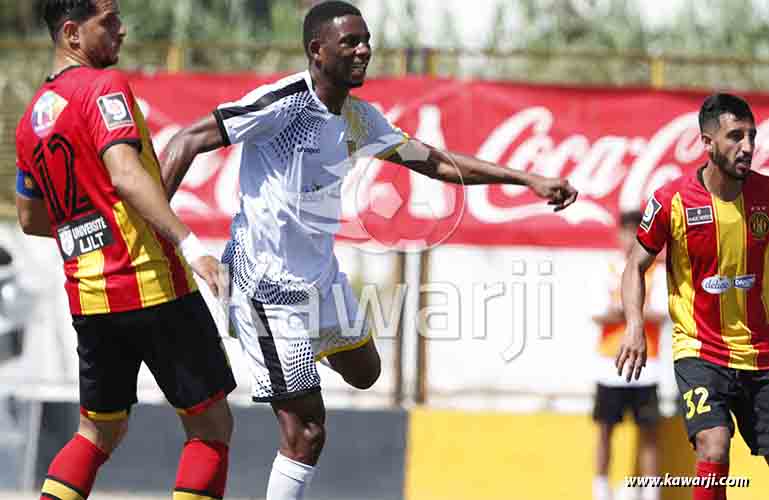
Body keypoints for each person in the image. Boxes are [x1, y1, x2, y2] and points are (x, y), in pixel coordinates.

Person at [161, 2, 578, 499]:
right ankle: (286, 358)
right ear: (317, 51)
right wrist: (154, 224)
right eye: (351, 43)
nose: (364, 51)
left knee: (366, 372)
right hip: (267, 290)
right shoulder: (282, 104)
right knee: (307, 433)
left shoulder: (358, 117)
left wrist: (527, 178)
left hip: (321, 281)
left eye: (367, 41)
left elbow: (436, 164)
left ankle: (298, 360)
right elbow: (186, 141)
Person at [15, 2, 236, 500]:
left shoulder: (30, 120)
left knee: (98, 431)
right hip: (152, 284)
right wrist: (192, 246)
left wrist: (92, 229)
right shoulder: (102, 87)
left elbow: (30, 219)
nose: (122, 29)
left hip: (89, 298)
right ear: (72, 33)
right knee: (210, 427)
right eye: (108, 21)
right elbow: (125, 172)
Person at [617, 93, 769, 500]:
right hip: (701, 351)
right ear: (707, 143)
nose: (748, 146)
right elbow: (635, 265)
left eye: (751, 136)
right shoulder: (672, 201)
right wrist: (634, 326)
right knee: (713, 445)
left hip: (762, 352)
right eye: (735, 136)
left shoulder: (767, 196)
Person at [591, 211, 665, 500]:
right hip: (609, 364)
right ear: (619, 235)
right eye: (626, 233)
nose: (630, 240)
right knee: (605, 430)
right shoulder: (608, 268)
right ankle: (600, 490)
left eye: (637, 234)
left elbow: (661, 314)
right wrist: (632, 311)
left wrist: (627, 310)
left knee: (649, 432)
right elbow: (596, 312)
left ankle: (651, 493)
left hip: (648, 364)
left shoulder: (657, 272)